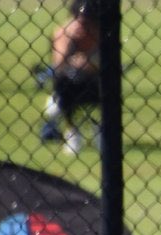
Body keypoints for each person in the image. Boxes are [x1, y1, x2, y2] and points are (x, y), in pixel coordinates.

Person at [43, 0, 100, 155]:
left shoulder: (101, 33)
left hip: (93, 81)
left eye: (88, 22)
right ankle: (72, 131)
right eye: (80, 20)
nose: (83, 26)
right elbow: (58, 65)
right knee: (65, 83)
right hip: (68, 82)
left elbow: (107, 65)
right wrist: (69, 43)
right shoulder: (63, 33)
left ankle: (100, 129)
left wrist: (89, 63)